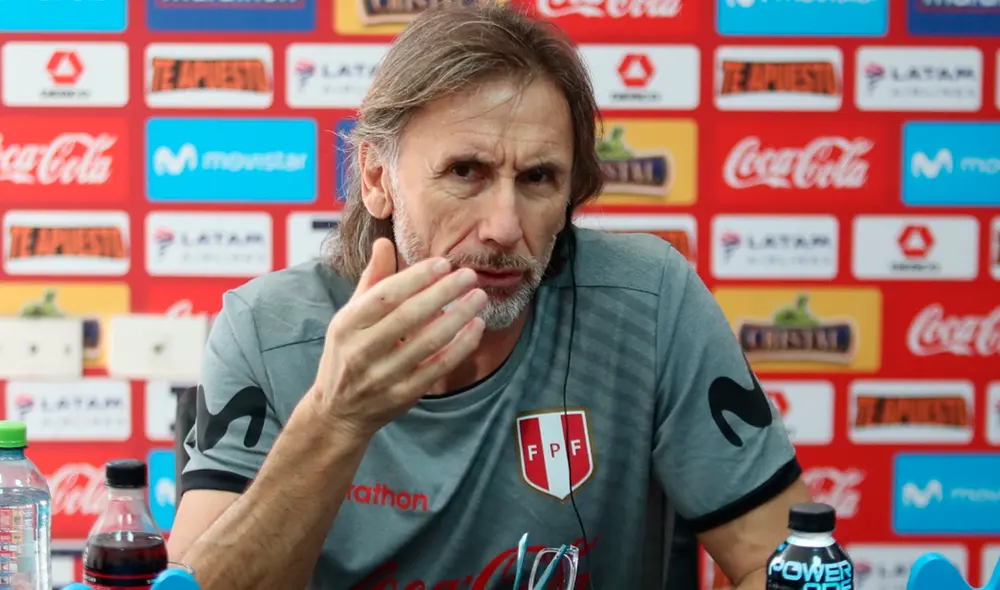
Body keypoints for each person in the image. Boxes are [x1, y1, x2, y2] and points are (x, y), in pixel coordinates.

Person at [166, 2, 812, 589]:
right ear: (377, 177)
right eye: (465, 172)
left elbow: (780, 561)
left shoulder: (649, 300)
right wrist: (334, 419)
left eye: (538, 178)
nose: (504, 227)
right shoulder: (267, 329)